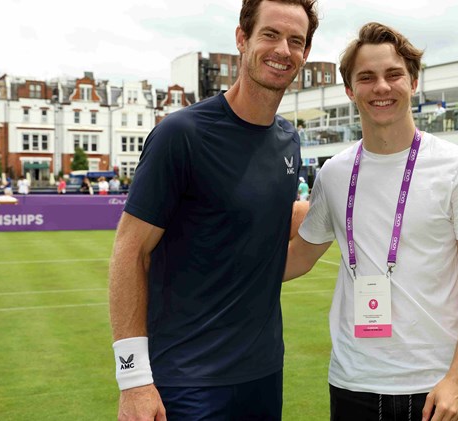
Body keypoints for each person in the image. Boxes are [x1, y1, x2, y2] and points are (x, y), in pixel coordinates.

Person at [108, 1, 319, 420]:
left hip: (263, 376)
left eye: (296, 41)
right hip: (187, 383)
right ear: (242, 39)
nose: (283, 49)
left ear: (305, 55)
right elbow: (129, 253)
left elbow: (266, 249)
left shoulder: (288, 140)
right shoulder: (180, 134)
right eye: (270, 35)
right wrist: (133, 380)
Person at [284, 22, 458, 421]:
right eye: (366, 78)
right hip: (353, 384)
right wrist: (213, 263)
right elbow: (299, 257)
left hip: (436, 388)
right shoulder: (333, 173)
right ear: (350, 90)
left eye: (393, 74)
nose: (381, 87)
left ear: (413, 82)